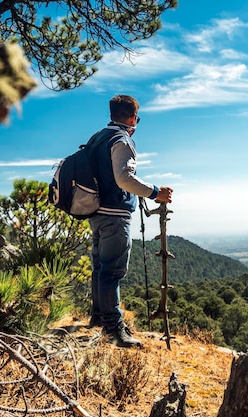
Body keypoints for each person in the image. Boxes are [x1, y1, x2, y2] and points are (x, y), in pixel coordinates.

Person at [86, 95, 173, 348]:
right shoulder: (123, 140)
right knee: (112, 270)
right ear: (134, 117)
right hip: (115, 213)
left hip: (95, 211)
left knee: (100, 268)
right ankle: (114, 330)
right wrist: (156, 192)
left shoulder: (98, 137)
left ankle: (98, 318)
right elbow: (124, 178)